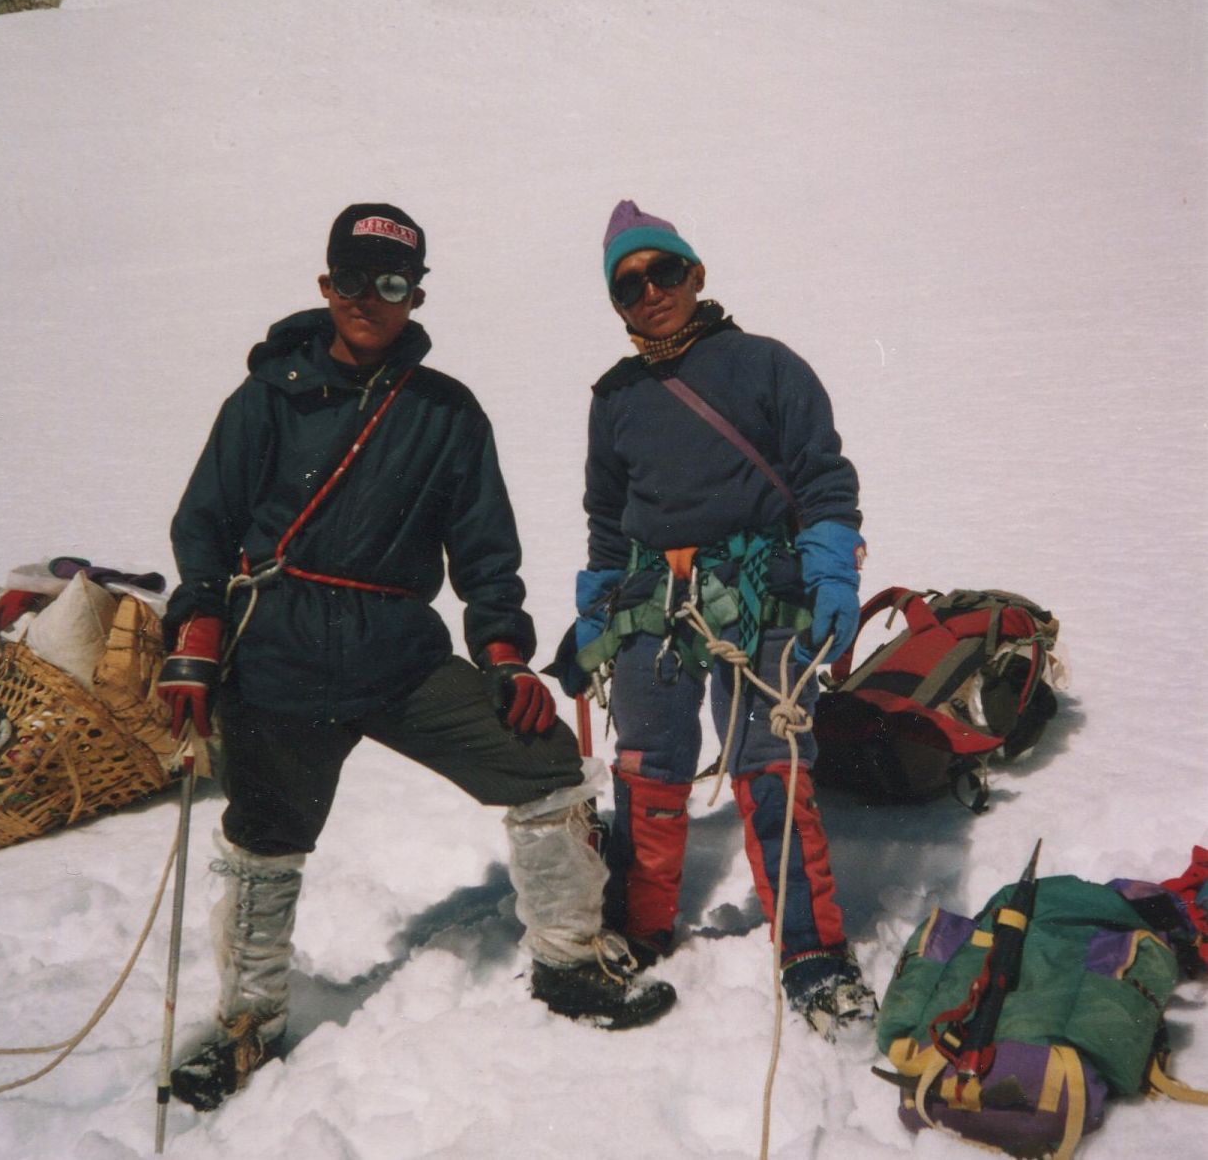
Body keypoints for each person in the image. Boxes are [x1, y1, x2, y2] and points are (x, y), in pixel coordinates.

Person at [157, 202, 675, 1112]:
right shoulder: (265, 397)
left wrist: (508, 658)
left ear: (415, 294)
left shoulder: (445, 412)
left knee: (543, 761)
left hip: (396, 656)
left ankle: (567, 962)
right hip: (275, 655)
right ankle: (246, 1021)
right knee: (265, 838)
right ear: (326, 287)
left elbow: (485, 553)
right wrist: (197, 631)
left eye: (390, 282)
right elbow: (205, 526)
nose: (369, 298)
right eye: (352, 279)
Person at [551, 199, 876, 1039]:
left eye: (662, 271)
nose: (649, 290)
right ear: (616, 303)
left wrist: (832, 569)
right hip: (650, 603)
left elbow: (822, 480)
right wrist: (594, 609)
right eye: (628, 285)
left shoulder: (766, 365)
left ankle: (810, 950)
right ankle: (642, 924)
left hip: (762, 589)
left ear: (696, 273)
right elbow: (604, 516)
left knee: (773, 765)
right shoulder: (615, 396)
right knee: (647, 768)